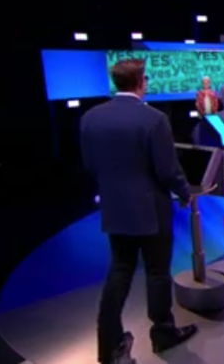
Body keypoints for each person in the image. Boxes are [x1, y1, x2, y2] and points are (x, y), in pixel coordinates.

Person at [80, 59, 198, 364]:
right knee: (157, 273)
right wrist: (185, 192)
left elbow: (90, 165)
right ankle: (163, 333)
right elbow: (167, 169)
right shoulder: (153, 119)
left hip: (114, 208)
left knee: (119, 271)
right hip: (151, 210)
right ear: (141, 82)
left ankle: (109, 346)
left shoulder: (90, 118)